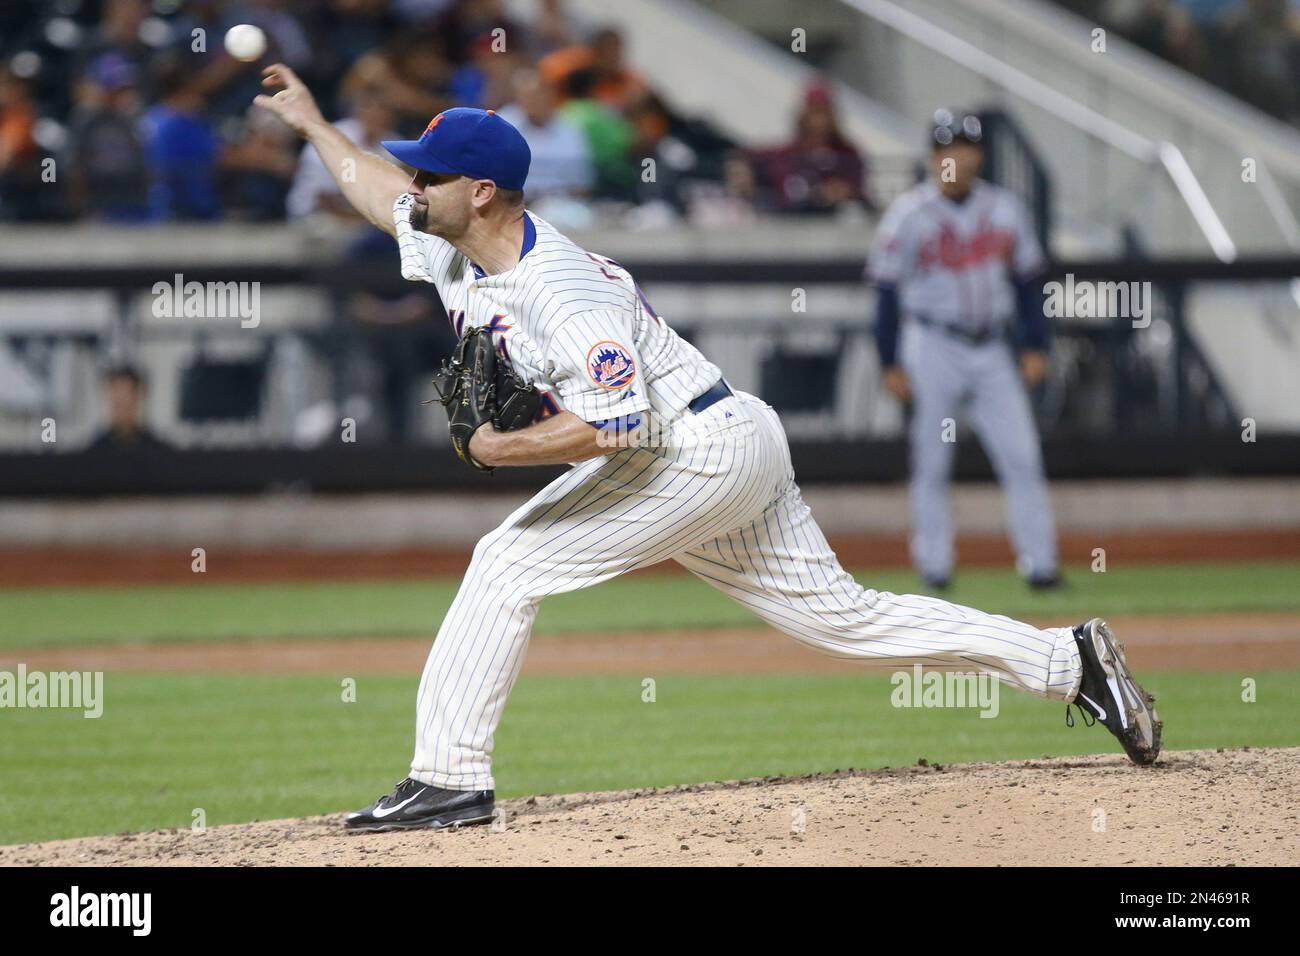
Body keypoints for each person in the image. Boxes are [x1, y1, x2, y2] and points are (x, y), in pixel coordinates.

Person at [254, 65, 1161, 831]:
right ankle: (1069, 662)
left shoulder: (560, 294)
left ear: (480, 191)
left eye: (432, 176)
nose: (413, 187)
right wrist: (313, 124)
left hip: (688, 449)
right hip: (724, 437)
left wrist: (496, 450)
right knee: (841, 619)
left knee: (504, 563)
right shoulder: (456, 242)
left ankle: (450, 776)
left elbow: (619, 426)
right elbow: (373, 191)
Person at [868, 109, 1061, 591]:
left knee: (1022, 455)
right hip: (932, 343)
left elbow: (1028, 279)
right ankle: (935, 566)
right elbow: (886, 293)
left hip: (992, 346)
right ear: (934, 157)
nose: (958, 155)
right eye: (948, 147)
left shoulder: (1004, 208)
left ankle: (1041, 566)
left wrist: (1036, 343)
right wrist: (889, 360)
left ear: (980, 155)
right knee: (932, 460)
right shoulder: (908, 214)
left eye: (967, 146)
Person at [87, 366, 170, 451]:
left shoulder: (161, 454)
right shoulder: (89, 457)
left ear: (139, 398)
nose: (120, 400)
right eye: (116, 405)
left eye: (125, 405)